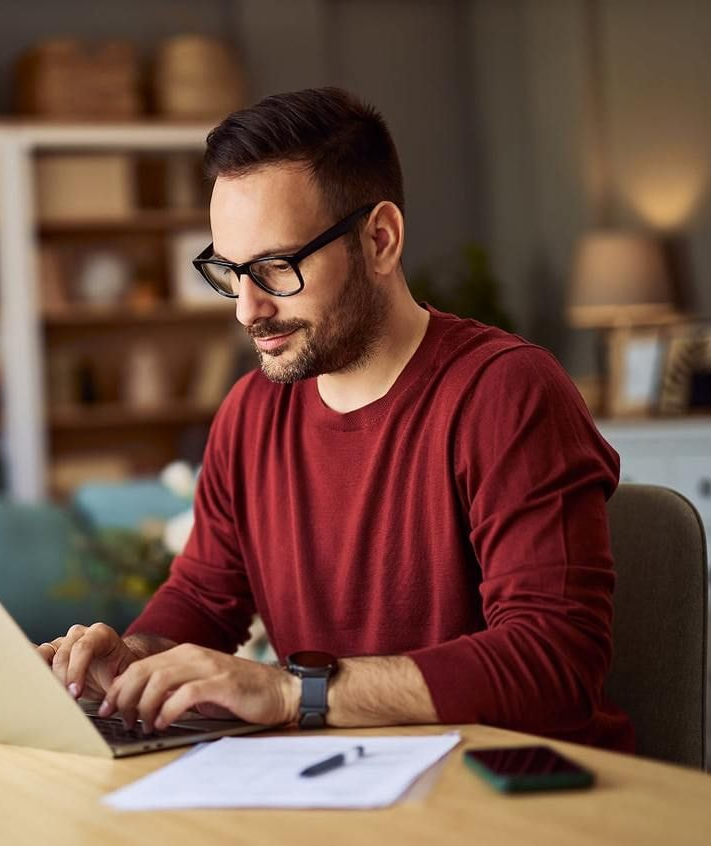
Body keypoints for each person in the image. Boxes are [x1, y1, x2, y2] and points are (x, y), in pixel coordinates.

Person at [35, 87, 634, 751]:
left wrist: (294, 692)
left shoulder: (506, 393)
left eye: (276, 267)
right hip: (340, 782)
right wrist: (134, 658)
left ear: (380, 240)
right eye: (230, 271)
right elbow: (205, 599)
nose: (247, 309)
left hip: (515, 785)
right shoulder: (249, 414)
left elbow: (555, 660)